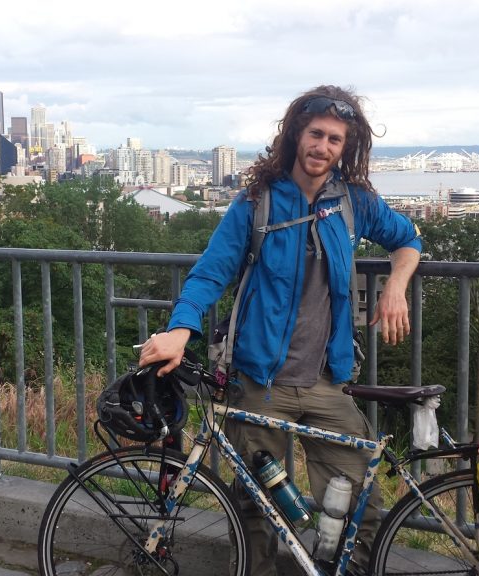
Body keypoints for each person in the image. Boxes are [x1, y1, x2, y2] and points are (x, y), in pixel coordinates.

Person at [137, 85, 422, 575]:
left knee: (360, 502)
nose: (323, 146)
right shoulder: (256, 204)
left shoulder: (355, 203)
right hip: (257, 381)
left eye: (335, 139)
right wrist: (182, 328)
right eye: (316, 134)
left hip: (326, 381)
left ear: (345, 148)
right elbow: (210, 273)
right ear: (296, 135)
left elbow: (408, 239)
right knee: (253, 508)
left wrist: (396, 285)